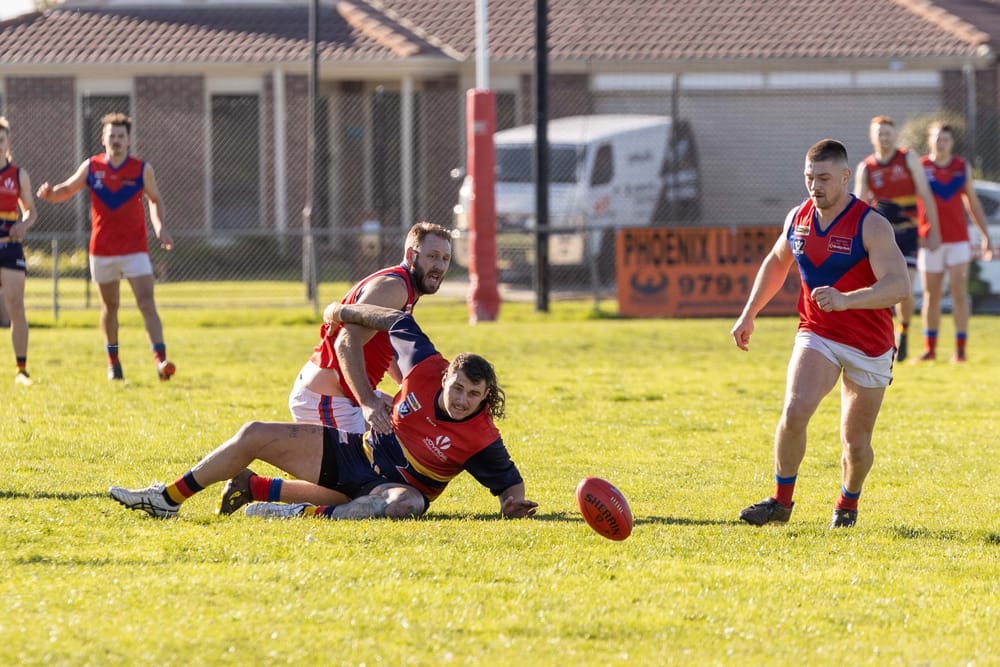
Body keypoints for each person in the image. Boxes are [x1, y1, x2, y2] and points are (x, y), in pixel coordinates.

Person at [109, 302, 539, 521]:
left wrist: (512, 505)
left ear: (485, 400)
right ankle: (168, 499)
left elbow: (511, 488)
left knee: (401, 504)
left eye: (472, 395)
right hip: (357, 453)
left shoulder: (482, 436)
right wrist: (341, 311)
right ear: (445, 378)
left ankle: (294, 511)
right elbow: (393, 319)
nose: (461, 399)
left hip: (396, 489)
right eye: (458, 388)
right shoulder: (426, 365)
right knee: (255, 432)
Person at [731, 139, 909, 529]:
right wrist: (749, 314)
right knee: (794, 412)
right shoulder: (798, 218)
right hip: (818, 332)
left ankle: (847, 503)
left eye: (825, 178)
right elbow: (777, 263)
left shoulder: (871, 224)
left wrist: (846, 300)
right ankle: (780, 502)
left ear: (846, 177)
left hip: (869, 345)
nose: (816, 186)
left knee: (856, 445)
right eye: (810, 177)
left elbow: (899, 286)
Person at [36, 112, 175, 382]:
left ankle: (161, 362)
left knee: (146, 302)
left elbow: (155, 200)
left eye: (121, 136)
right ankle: (113, 362)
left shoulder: (141, 169)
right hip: (102, 250)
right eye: (112, 136)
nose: (116, 141)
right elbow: (66, 188)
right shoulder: (92, 167)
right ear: (103, 138)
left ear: (129, 139)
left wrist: (159, 227)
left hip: (135, 249)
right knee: (109, 308)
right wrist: (50, 194)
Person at [290, 222, 452, 434]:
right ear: (412, 255)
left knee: (410, 435)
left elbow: (386, 348)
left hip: (341, 395)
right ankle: (246, 459)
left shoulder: (405, 288)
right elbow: (346, 342)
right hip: (328, 400)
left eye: (445, 259)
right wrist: (368, 403)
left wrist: (410, 389)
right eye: (433, 256)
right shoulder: (395, 288)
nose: (439, 265)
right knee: (366, 467)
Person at [855, 115, 940, 362]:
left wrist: (933, 230)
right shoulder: (866, 167)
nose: (884, 137)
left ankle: (903, 331)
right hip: (880, 238)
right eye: (879, 133)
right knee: (879, 287)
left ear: (895, 135)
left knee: (906, 290)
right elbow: (859, 204)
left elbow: (925, 193)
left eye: (888, 132)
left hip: (908, 234)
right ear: (872, 137)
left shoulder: (908, 158)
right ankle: (881, 337)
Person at [915, 122, 995, 363]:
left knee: (960, 293)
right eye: (938, 138)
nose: (942, 143)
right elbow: (913, 204)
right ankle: (930, 349)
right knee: (931, 296)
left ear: (952, 142)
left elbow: (973, 204)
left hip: (959, 240)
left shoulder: (961, 167)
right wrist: (917, 234)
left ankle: (960, 351)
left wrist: (985, 237)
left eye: (946, 139)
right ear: (930, 140)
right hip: (931, 242)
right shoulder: (921, 167)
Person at [0, 117, 39, 386]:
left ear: (7, 143)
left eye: (0, 140)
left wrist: (23, 225)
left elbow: (31, 212)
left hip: (9, 248)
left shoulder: (18, 175)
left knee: (15, 305)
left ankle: (21, 369)